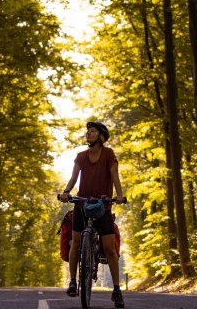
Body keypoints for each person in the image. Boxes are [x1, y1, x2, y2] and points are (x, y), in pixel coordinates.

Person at [60, 121, 125, 308]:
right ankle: (73, 281)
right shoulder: (81, 156)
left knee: (110, 249)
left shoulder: (108, 154)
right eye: (88, 131)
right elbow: (73, 178)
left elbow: (115, 176)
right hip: (82, 204)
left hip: (102, 206)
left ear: (101, 136)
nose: (89, 134)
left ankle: (117, 290)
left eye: (93, 131)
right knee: (76, 242)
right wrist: (66, 191)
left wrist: (119, 196)